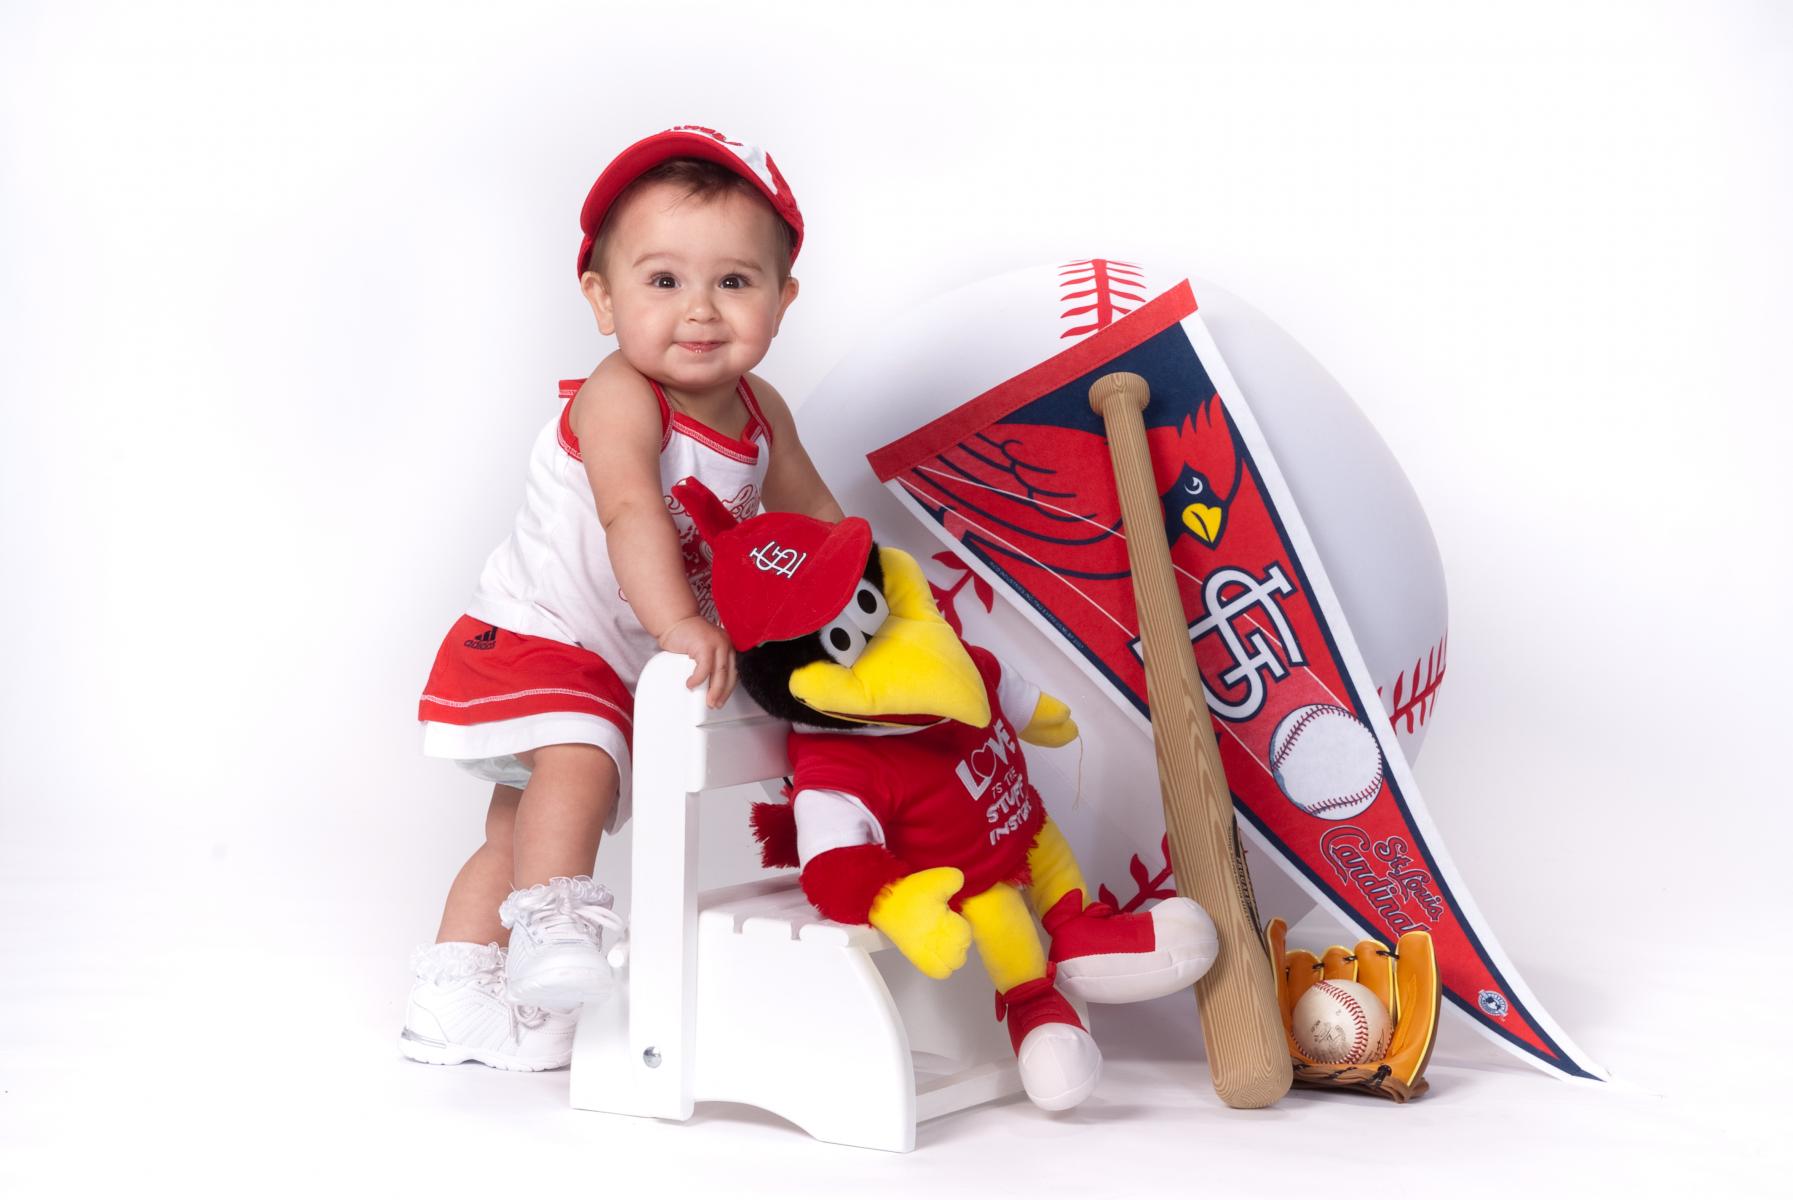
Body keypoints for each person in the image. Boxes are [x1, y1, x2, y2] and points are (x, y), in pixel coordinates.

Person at [399, 127, 844, 1071]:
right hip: (538, 636)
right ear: (601, 299)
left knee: (520, 829)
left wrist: (870, 593)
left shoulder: (764, 410)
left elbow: (812, 518)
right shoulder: (620, 395)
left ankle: (451, 995)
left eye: (734, 281)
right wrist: (682, 621)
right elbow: (632, 510)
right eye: (662, 281)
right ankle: (554, 923)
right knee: (581, 758)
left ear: (783, 298)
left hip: (615, 654)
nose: (700, 311)